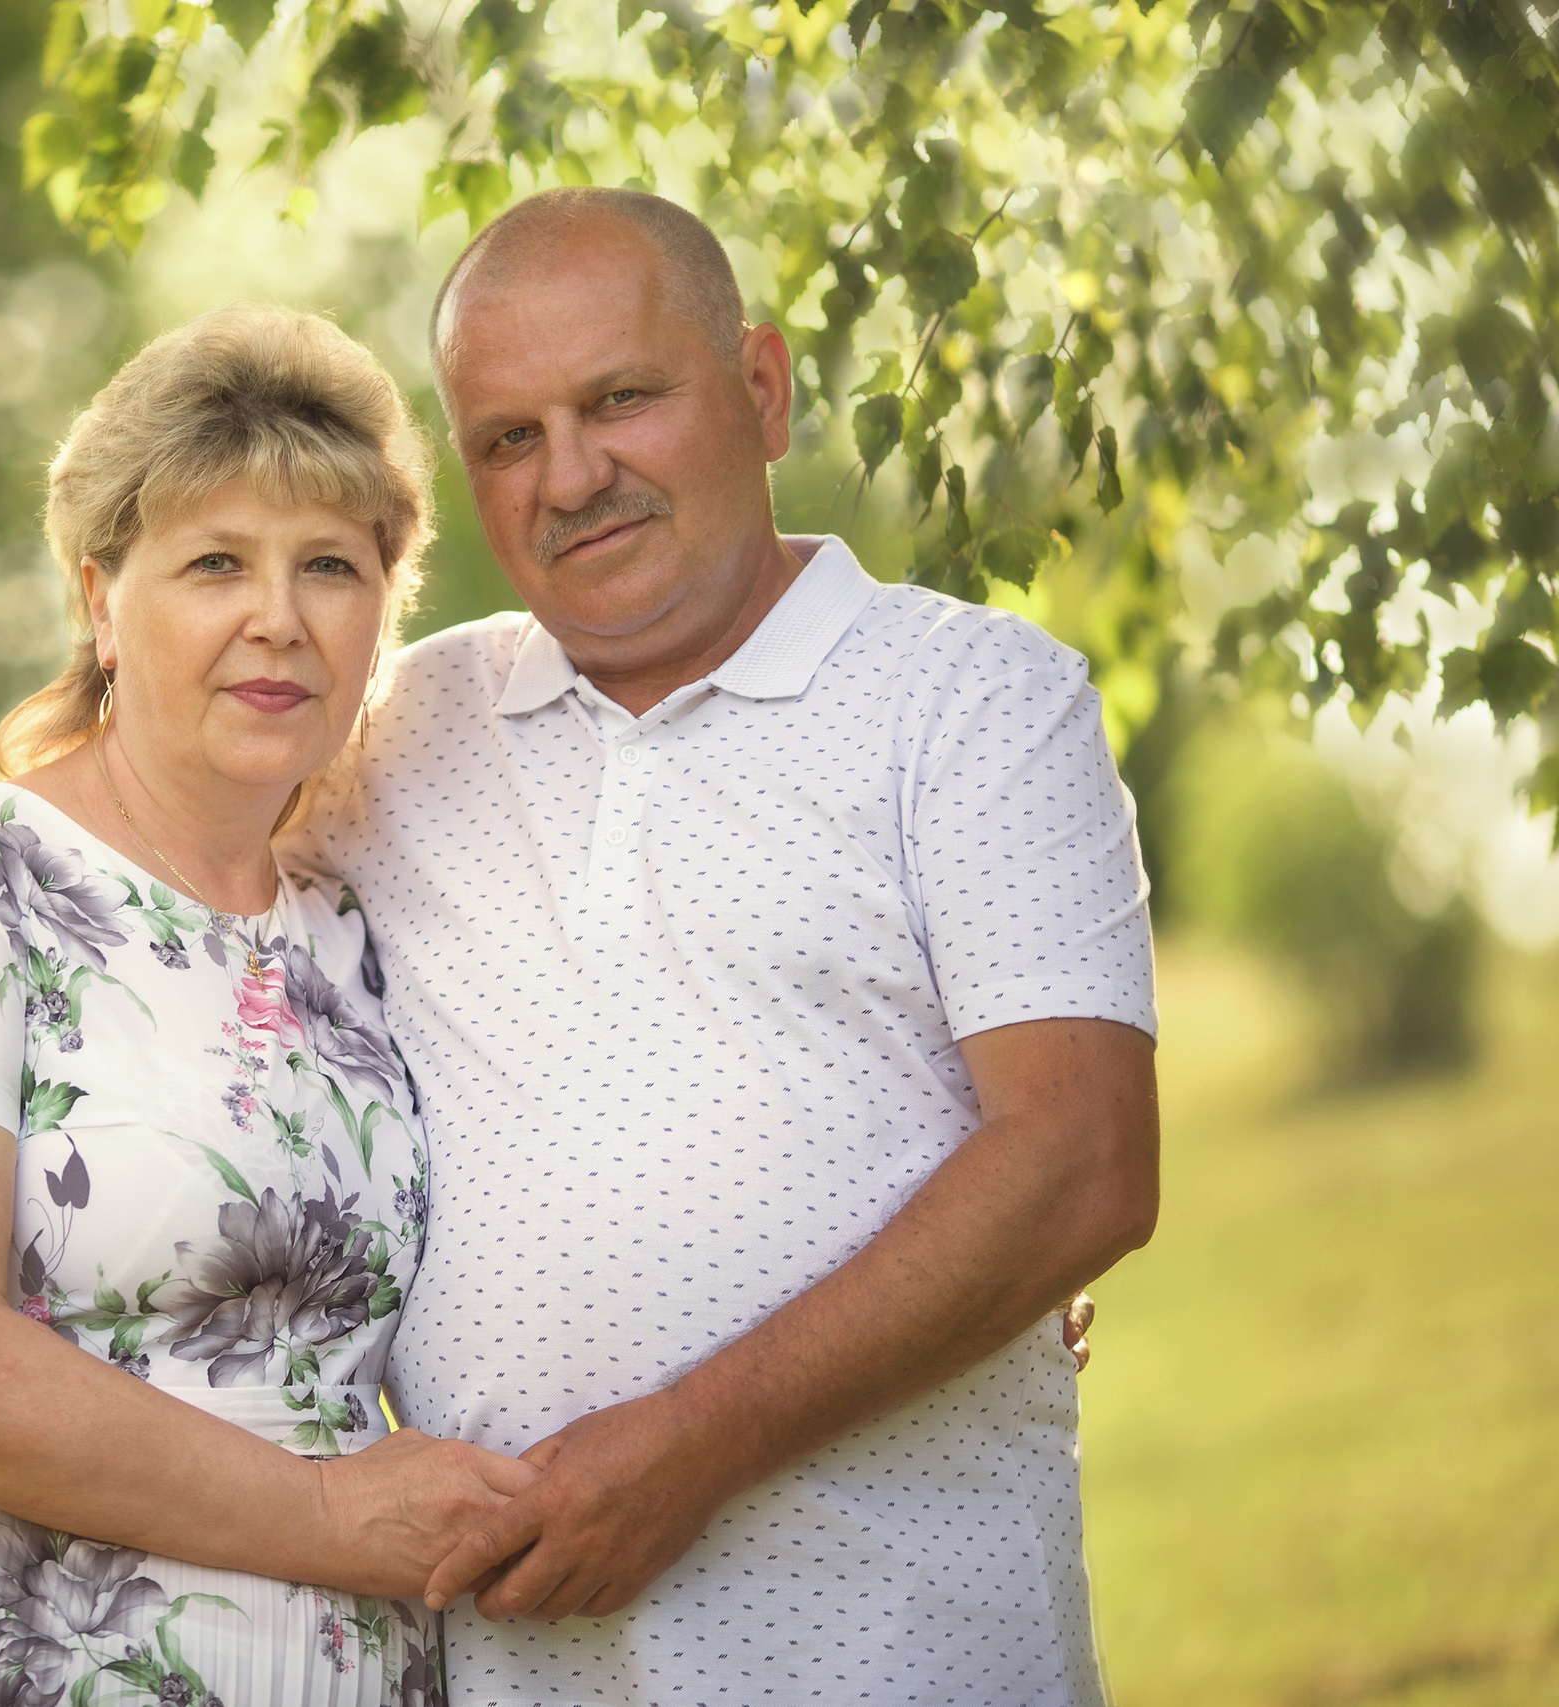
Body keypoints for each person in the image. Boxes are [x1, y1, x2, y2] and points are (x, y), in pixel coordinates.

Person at [291, 187, 1161, 1703]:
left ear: (759, 389)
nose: (572, 475)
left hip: (904, 1652)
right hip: (509, 1669)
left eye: (621, 399)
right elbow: (131, 892)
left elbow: (1083, 1161)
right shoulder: (396, 735)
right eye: (508, 438)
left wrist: (686, 1453)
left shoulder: (972, 706)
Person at [0, 307, 529, 1707]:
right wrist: (325, 1520)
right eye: (213, 564)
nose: (279, 617)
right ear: (99, 599)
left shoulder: (357, 926)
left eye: (330, 565)